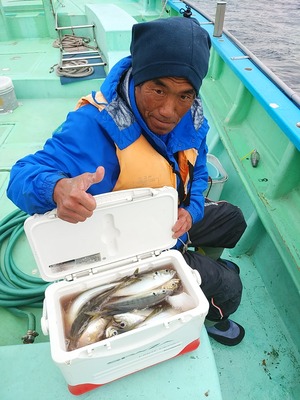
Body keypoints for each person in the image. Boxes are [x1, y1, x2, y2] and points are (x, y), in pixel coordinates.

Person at [7, 16, 246, 346]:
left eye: (184, 95)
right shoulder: (93, 125)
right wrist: (58, 188)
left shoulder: (192, 118)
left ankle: (199, 263)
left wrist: (191, 212)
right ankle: (214, 310)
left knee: (234, 219)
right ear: (138, 78)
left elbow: (199, 173)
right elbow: (21, 176)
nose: (168, 110)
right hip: (132, 252)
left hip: (171, 222)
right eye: (157, 89)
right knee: (231, 287)